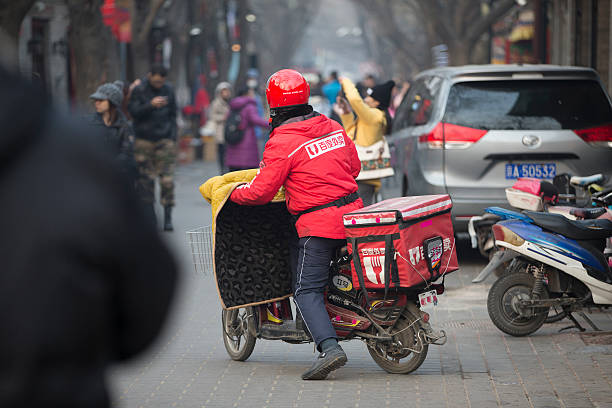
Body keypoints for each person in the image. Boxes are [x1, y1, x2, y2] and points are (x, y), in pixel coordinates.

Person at [0, 66, 177, 408]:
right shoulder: (75, 148)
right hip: (63, 386)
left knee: (163, 190)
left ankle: (168, 213)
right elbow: (150, 284)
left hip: (62, 382)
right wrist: (94, 348)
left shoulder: (81, 146)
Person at [229, 69, 363, 380]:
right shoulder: (332, 125)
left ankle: (330, 349)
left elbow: (261, 191)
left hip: (319, 225)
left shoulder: (282, 141)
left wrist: (234, 194)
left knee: (305, 290)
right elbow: (354, 167)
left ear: (273, 106)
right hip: (355, 217)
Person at [128, 64, 178, 231]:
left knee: (167, 180)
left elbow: (173, 114)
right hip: (144, 140)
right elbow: (133, 112)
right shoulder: (139, 90)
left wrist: (172, 137)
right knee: (145, 181)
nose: (158, 85)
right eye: (155, 82)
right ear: (150, 76)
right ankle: (151, 218)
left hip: (165, 139)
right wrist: (150, 105)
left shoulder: (169, 89)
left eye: (161, 82)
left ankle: (168, 217)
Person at [336, 77, 395, 206]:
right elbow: (352, 133)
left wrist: (346, 82)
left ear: (377, 102)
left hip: (365, 178)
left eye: (370, 98)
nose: (366, 99)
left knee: (362, 213)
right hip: (362, 176)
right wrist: (346, 112)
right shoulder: (371, 117)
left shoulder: (374, 116)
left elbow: (355, 100)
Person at [89, 80, 135, 176]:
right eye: (95, 100)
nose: (96, 103)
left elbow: (127, 153)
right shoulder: (89, 123)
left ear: (112, 102)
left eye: (101, 100)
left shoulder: (124, 126)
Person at [224, 87, 269, 172]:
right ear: (247, 94)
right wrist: (271, 124)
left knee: (233, 177)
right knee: (246, 176)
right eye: (251, 93)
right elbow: (256, 120)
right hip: (247, 143)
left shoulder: (233, 105)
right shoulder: (249, 106)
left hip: (234, 141)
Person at [208, 81, 232, 173]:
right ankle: (222, 169)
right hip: (220, 130)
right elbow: (212, 116)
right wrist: (224, 117)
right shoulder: (216, 103)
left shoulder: (230, 102)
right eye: (224, 91)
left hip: (229, 130)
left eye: (227, 91)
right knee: (221, 151)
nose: (226, 93)